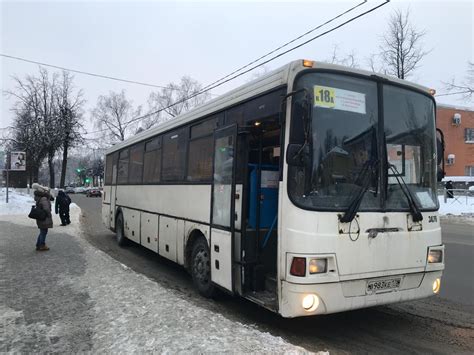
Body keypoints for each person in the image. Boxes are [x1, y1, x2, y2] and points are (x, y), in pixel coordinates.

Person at [32, 183, 54, 251]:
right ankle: (42, 245)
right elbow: (46, 208)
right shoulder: (44, 198)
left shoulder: (40, 198)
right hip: (44, 217)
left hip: (40, 217)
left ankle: (38, 244)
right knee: (44, 231)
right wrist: (49, 215)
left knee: (42, 231)